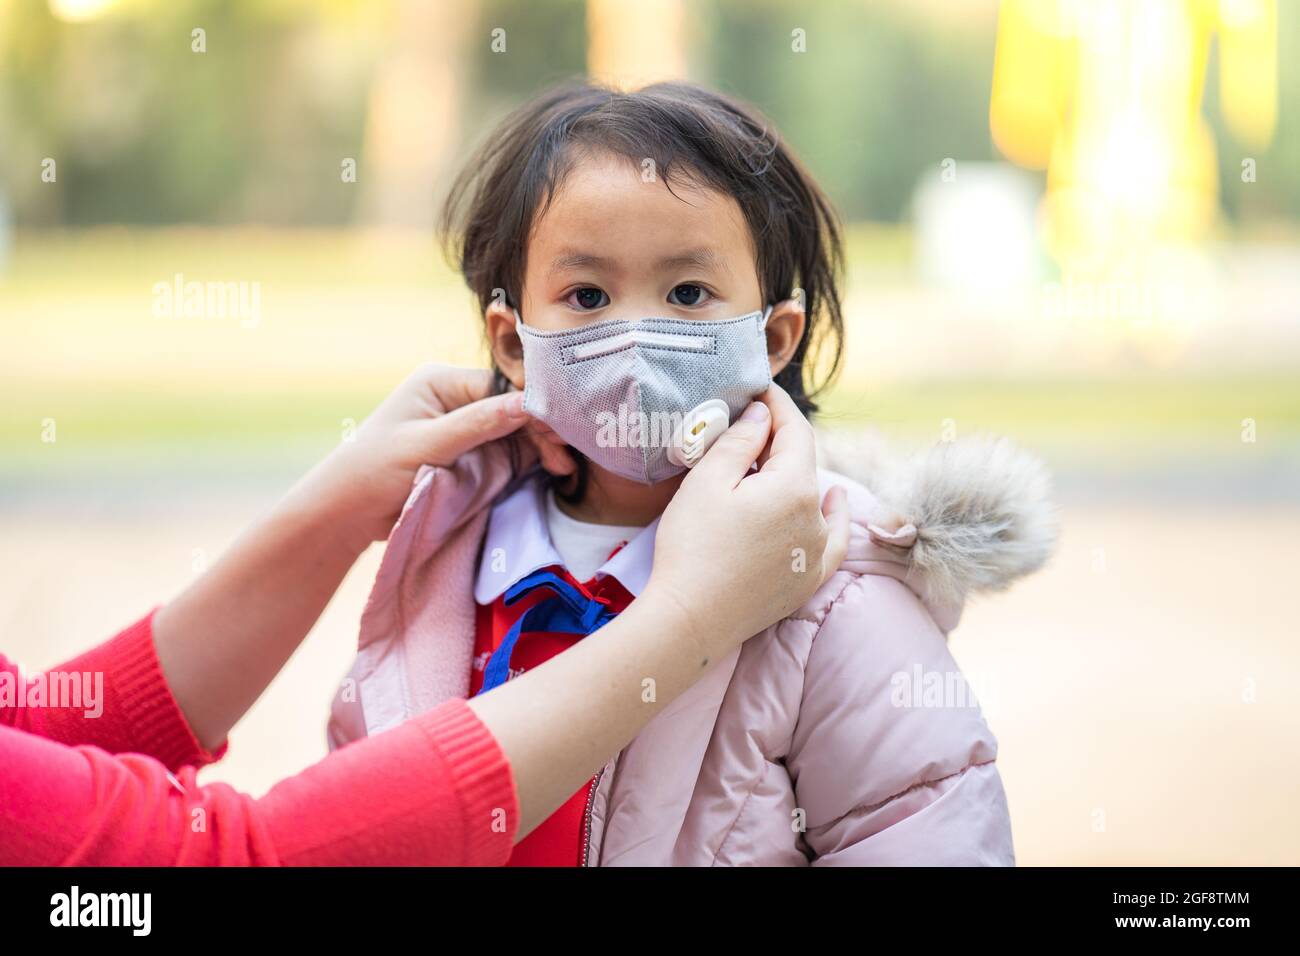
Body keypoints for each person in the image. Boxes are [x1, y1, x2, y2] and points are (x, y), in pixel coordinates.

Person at [332, 82, 1052, 865]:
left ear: (774, 338)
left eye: (687, 293)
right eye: (587, 295)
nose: (635, 338)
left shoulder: (832, 586)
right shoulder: (449, 561)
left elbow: (919, 833)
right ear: (513, 343)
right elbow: (358, 802)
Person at [0, 363, 849, 865]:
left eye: (690, 291)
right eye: (587, 295)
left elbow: (30, 729)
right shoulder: (456, 580)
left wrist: (340, 507)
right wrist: (689, 623)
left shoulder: (847, 575)